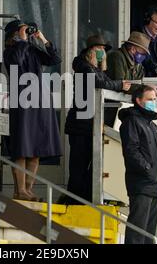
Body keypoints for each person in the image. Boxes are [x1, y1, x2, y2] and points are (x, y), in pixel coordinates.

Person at [64, 35, 131, 204]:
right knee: (78, 166)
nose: (102, 52)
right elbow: (100, 83)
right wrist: (120, 85)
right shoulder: (82, 66)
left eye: (104, 50)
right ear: (90, 51)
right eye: (99, 49)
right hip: (80, 125)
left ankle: (83, 199)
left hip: (90, 125)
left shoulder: (96, 70)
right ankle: (73, 201)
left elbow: (104, 80)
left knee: (90, 166)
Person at [3, 19, 62, 202]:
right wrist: (21, 41)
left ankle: (28, 189)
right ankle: (19, 190)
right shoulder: (10, 51)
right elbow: (16, 63)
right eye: (20, 31)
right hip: (21, 101)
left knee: (35, 147)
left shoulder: (32, 49)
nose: (25, 33)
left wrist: (42, 38)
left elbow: (54, 59)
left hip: (39, 101)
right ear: (13, 34)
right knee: (22, 147)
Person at [119, 85, 157, 244]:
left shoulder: (151, 125)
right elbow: (131, 151)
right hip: (141, 183)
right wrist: (148, 169)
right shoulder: (132, 122)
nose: (153, 102)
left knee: (149, 233)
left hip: (154, 184)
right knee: (137, 231)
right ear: (138, 101)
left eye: (154, 99)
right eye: (149, 99)